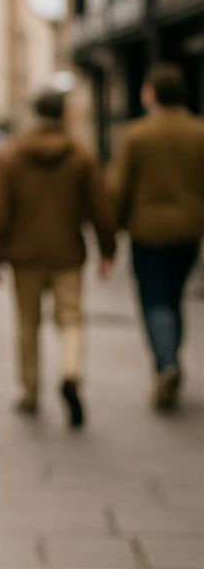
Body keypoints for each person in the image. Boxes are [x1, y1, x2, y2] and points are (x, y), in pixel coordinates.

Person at [0, 91, 116, 428]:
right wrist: (107, 249)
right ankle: (71, 371)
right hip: (67, 253)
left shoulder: (12, 155)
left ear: (35, 114)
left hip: (24, 257)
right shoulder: (82, 155)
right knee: (71, 318)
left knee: (28, 324)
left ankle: (30, 390)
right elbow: (101, 207)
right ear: (64, 115)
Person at [113, 64, 204, 411]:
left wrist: (113, 229)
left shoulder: (138, 135)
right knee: (174, 297)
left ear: (152, 93)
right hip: (187, 232)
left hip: (147, 233)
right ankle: (171, 359)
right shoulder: (199, 133)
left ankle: (166, 363)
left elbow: (120, 189)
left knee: (154, 300)